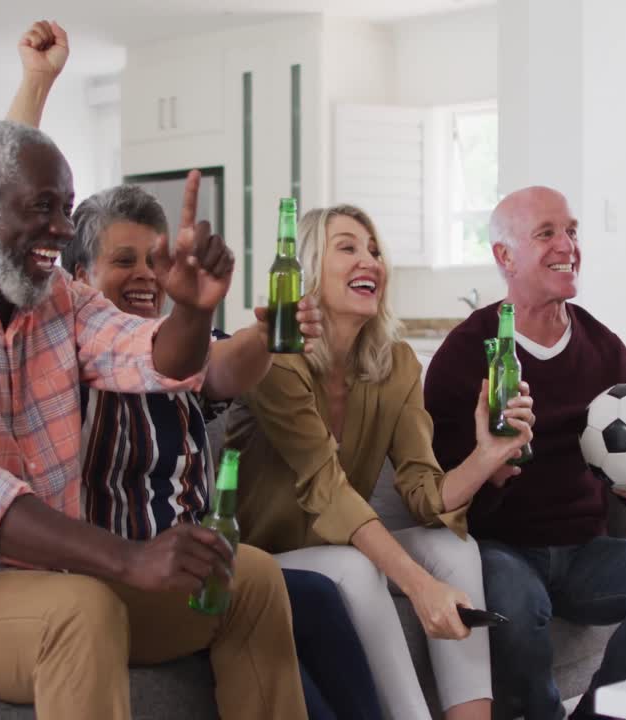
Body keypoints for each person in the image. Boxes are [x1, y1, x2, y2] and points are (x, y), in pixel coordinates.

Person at [0, 112, 307, 719]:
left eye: (67, 208)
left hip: (59, 579)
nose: (61, 229)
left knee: (250, 578)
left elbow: (154, 360)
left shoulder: (58, 300)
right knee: (82, 609)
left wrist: (189, 311)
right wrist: (131, 557)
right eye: (44, 208)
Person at [8, 21, 384, 720]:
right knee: (285, 592)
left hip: (189, 577)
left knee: (316, 605)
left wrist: (273, 333)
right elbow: (11, 215)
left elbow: (220, 369)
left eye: (157, 259)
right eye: (126, 261)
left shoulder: (171, 344)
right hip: (104, 582)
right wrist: (37, 84)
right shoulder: (64, 342)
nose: (148, 277)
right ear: (78, 274)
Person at [225, 203, 535, 720]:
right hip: (266, 554)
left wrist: (486, 456)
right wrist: (419, 587)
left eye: (374, 250)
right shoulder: (275, 360)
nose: (369, 260)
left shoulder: (397, 364)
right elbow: (327, 489)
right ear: (306, 270)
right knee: (352, 565)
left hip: (340, 542)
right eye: (347, 248)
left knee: (452, 547)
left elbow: (420, 487)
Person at [423, 186, 626, 720]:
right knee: (514, 599)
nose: (568, 246)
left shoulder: (605, 347)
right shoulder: (466, 352)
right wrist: (492, 472)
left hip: (584, 551)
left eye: (573, 231)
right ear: (504, 257)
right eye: (547, 233)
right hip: (500, 548)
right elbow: (437, 491)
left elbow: (623, 467)